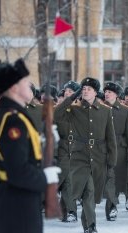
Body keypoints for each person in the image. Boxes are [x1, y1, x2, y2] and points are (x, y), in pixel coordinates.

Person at [0, 58, 61, 233]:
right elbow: (17, 170)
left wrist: (44, 140)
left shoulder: (10, 115)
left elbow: (19, 152)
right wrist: (44, 178)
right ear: (14, 88)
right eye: (25, 82)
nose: (30, 86)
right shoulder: (13, 120)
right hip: (16, 203)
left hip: (14, 199)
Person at [56, 77, 117, 233]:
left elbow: (110, 137)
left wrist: (112, 159)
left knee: (91, 193)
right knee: (88, 191)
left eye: (88, 89)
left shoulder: (105, 110)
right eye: (83, 89)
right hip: (79, 156)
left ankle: (88, 225)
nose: (85, 91)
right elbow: (57, 114)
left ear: (96, 92)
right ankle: (91, 226)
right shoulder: (74, 109)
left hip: (98, 157)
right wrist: (72, 96)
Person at [103, 82, 128, 221]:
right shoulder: (99, 108)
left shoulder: (125, 110)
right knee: (106, 179)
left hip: (119, 149)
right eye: (105, 91)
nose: (106, 94)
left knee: (115, 179)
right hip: (102, 147)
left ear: (116, 94)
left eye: (110, 92)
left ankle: (112, 207)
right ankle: (110, 205)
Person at [53, 80, 80, 223]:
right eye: (66, 91)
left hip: (78, 148)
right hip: (62, 149)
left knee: (68, 182)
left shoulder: (81, 109)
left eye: (71, 91)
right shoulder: (59, 109)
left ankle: (68, 212)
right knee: (65, 180)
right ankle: (70, 211)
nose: (68, 94)